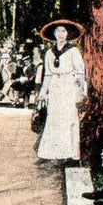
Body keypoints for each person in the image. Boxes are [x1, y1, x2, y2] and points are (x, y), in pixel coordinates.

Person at [35, 19, 88, 164]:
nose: (60, 34)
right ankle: (53, 153)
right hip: (55, 89)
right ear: (54, 34)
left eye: (63, 31)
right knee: (54, 119)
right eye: (58, 31)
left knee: (68, 118)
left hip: (69, 87)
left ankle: (68, 153)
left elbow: (80, 72)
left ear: (68, 34)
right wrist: (43, 93)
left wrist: (80, 92)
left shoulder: (73, 51)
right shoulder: (49, 53)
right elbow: (48, 74)